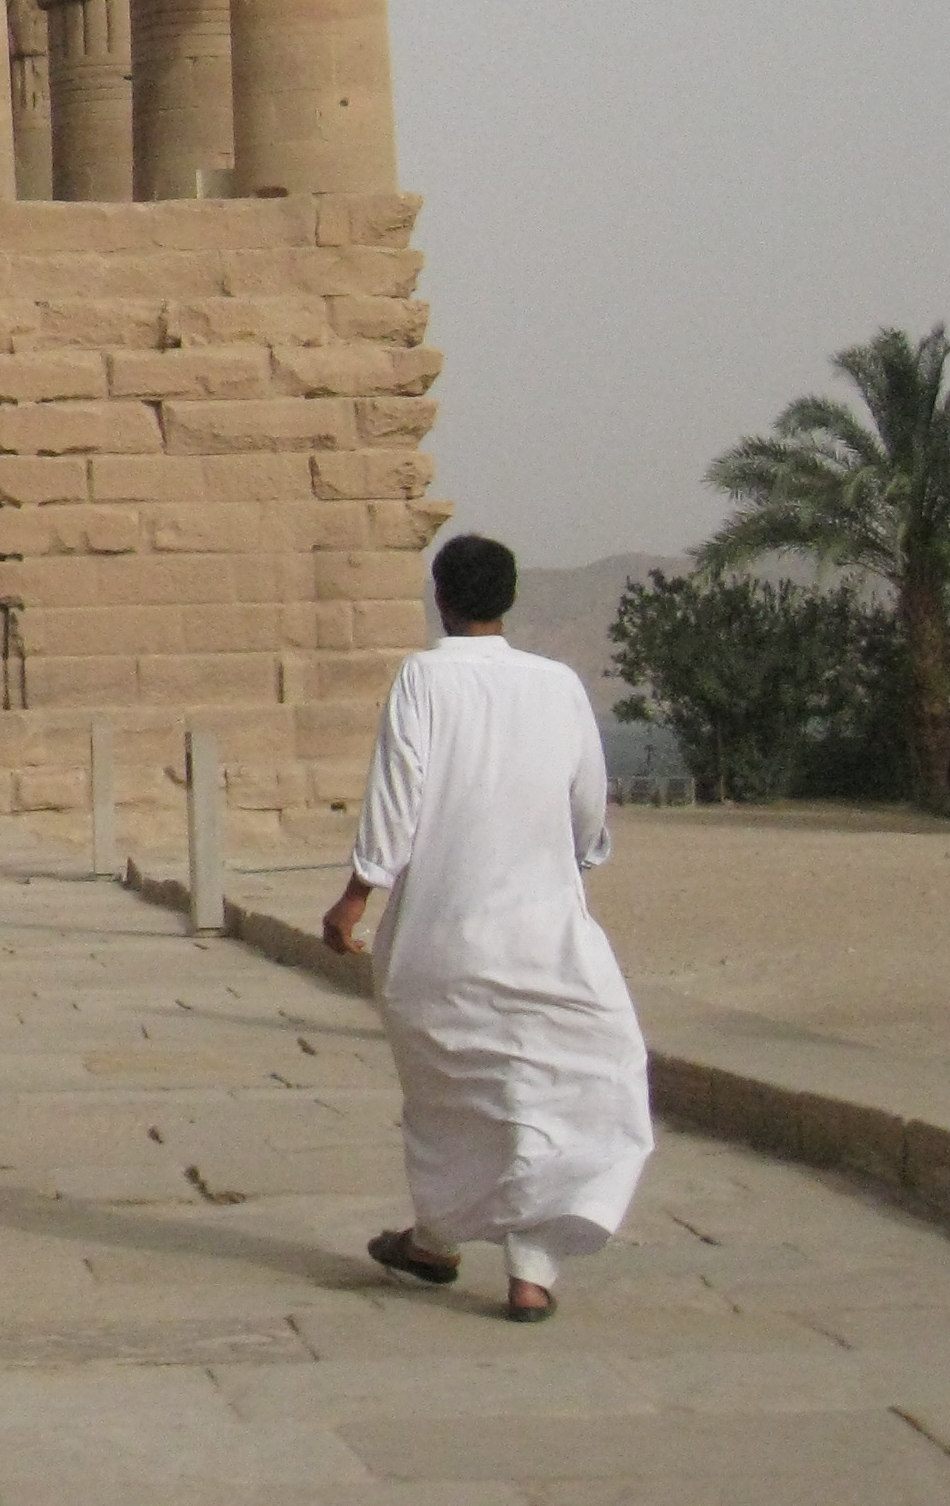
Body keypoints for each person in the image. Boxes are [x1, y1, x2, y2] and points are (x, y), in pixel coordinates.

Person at [319, 532, 653, 1323]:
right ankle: (529, 1270)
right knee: (558, 1088)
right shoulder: (559, 684)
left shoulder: (423, 679)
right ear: (508, 599)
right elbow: (586, 805)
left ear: (441, 597)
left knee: (448, 1098)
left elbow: (397, 795)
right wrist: (575, 861)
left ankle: (437, 1239)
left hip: (440, 932)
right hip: (546, 932)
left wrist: (357, 895)